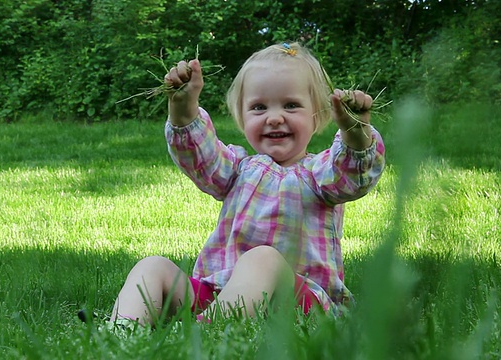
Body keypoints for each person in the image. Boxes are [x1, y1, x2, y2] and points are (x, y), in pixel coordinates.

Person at [110, 42, 386, 326]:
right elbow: (200, 157)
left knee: (264, 258)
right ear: (242, 117)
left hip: (297, 302)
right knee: (152, 266)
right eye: (258, 107)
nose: (275, 117)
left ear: (317, 114)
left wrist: (355, 133)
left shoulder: (320, 174)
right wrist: (183, 109)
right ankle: (121, 334)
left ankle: (201, 335)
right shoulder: (237, 169)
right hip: (222, 295)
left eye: (291, 105)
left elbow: (353, 175)